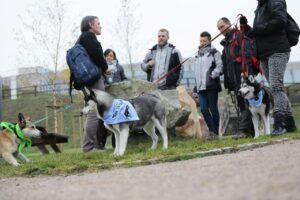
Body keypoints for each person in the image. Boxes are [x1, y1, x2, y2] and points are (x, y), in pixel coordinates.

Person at [243, 0, 297, 135]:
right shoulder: (260, 7)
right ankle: (290, 123)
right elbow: (262, 29)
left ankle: (280, 123)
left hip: (278, 49)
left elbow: (280, 21)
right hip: (264, 53)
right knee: (275, 87)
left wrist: (256, 30)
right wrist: (249, 29)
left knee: (275, 86)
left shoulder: (275, 1)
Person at [217, 17, 256, 139]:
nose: (220, 30)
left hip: (243, 76)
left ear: (229, 24)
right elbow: (226, 64)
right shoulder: (226, 43)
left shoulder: (239, 36)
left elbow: (247, 53)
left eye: (222, 26)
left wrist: (247, 73)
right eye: (218, 28)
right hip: (233, 79)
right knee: (241, 104)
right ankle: (250, 132)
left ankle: (244, 130)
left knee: (246, 103)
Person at [77, 16, 112, 152]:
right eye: (98, 23)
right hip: (94, 79)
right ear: (91, 25)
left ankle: (97, 145)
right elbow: (97, 54)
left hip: (86, 80)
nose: (100, 26)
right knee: (94, 112)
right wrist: (105, 68)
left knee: (95, 111)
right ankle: (88, 147)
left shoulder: (81, 38)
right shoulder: (89, 37)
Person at [194, 31, 223, 139]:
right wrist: (195, 87)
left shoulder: (214, 52)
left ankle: (214, 133)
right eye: (201, 41)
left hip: (211, 85)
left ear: (209, 41)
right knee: (203, 109)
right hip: (201, 87)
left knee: (213, 109)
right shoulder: (197, 54)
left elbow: (220, 66)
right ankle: (213, 131)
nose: (202, 43)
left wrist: (212, 75)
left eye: (204, 41)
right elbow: (196, 72)